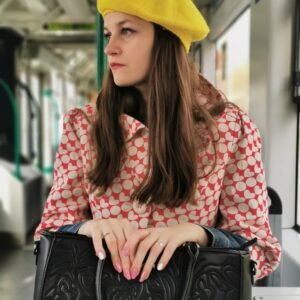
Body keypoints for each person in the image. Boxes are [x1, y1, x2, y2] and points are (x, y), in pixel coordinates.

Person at [34, 0, 281, 283]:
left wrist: (199, 234)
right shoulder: (83, 127)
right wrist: (86, 228)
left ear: (166, 40)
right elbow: (47, 236)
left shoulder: (230, 129)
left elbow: (260, 250)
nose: (109, 48)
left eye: (126, 31)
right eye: (108, 34)